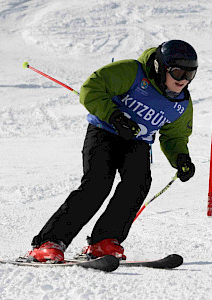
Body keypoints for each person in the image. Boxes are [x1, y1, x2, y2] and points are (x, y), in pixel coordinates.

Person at [27, 40, 198, 262]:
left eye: (190, 75)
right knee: (97, 184)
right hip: (104, 132)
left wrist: (181, 158)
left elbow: (174, 135)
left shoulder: (181, 103)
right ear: (160, 67)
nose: (183, 80)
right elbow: (91, 89)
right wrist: (115, 117)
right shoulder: (132, 73)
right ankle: (48, 242)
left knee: (138, 184)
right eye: (178, 72)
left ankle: (104, 241)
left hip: (137, 142)